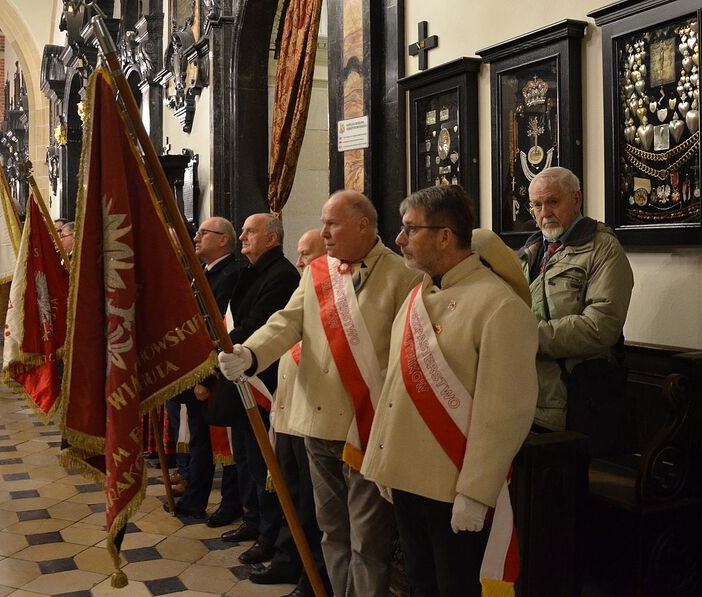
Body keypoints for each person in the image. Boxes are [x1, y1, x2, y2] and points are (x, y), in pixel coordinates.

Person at [218, 191, 420, 596]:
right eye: (324, 223)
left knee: (368, 540)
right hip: (318, 423)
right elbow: (287, 322)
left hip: (367, 427)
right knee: (331, 530)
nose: (323, 232)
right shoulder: (317, 273)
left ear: (363, 225)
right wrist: (250, 353)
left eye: (332, 224)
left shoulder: (403, 276)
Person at [360, 185, 538, 596]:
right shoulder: (418, 294)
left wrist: (476, 492)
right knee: (420, 584)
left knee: (455, 588)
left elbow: (503, 412)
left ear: (445, 236)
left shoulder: (499, 305)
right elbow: (395, 382)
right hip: (407, 476)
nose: (399, 239)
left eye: (410, 229)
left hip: (454, 485)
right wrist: (383, 458)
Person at [517, 167, 634, 439]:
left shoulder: (603, 248)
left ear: (576, 199)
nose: (545, 212)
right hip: (526, 398)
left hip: (576, 402)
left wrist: (527, 337)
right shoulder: (528, 252)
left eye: (553, 201)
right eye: (537, 205)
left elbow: (600, 326)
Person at [250, 229, 331, 595]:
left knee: (312, 507)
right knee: (290, 496)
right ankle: (287, 559)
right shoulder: (303, 290)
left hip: (313, 416)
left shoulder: (334, 298)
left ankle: (311, 576)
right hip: (288, 413)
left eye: (305, 254)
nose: (299, 262)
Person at [216, 213, 299, 565]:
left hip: (261, 377)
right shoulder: (250, 271)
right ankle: (252, 521)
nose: (242, 237)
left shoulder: (282, 275)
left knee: (263, 462)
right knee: (246, 458)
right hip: (242, 373)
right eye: (243, 231)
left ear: (272, 238)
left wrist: (223, 347)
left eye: (250, 231)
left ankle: (269, 535)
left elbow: (259, 324)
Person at [169, 217, 242, 522]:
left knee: (226, 444)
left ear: (223, 239)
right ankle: (194, 499)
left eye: (203, 233)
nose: (196, 238)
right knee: (200, 439)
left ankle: (229, 504)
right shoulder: (207, 272)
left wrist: (207, 377)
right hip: (197, 369)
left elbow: (219, 329)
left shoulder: (231, 275)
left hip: (215, 373)